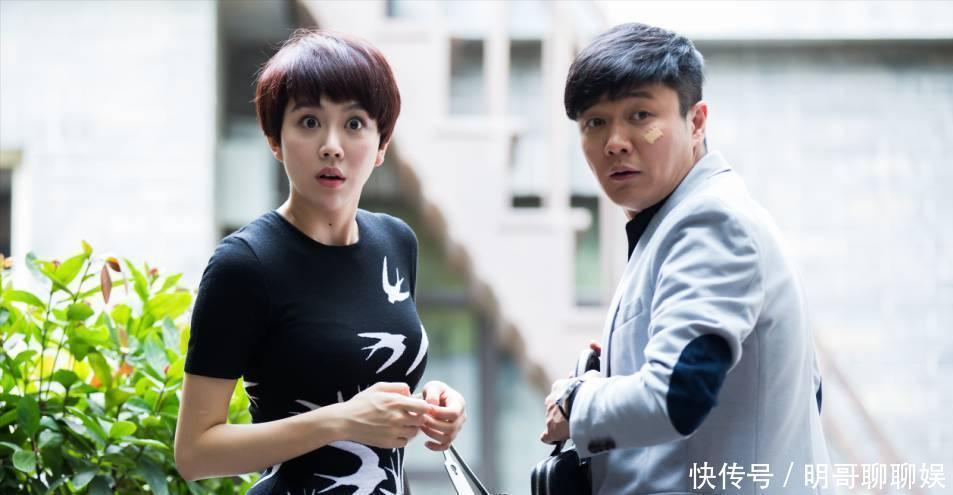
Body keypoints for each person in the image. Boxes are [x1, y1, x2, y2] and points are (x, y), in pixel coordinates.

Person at [540, 23, 830, 494]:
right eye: (595, 123)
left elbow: (675, 395)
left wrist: (577, 402)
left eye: (640, 115)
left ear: (696, 122)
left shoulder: (710, 222)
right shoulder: (678, 219)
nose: (615, 141)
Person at [174, 30, 466, 495]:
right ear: (275, 139)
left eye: (354, 123)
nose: (332, 145)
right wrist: (341, 420)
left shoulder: (396, 241)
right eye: (309, 122)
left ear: (382, 144)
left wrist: (431, 406)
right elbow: (194, 453)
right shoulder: (244, 265)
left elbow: (361, 376)